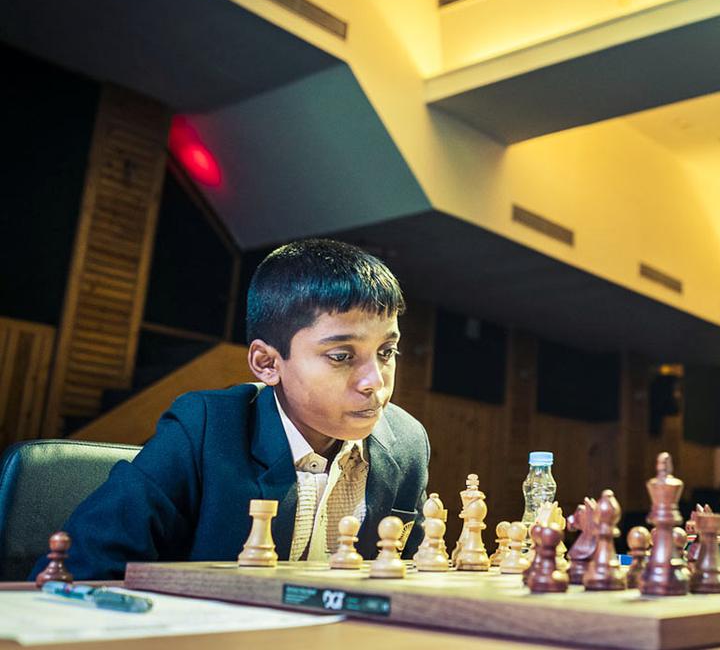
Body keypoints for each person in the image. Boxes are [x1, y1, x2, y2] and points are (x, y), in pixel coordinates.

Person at [32, 239, 429, 580]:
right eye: (342, 356)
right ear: (268, 364)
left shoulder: (406, 443)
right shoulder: (205, 429)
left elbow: (407, 573)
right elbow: (85, 567)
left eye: (386, 352)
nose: (375, 380)